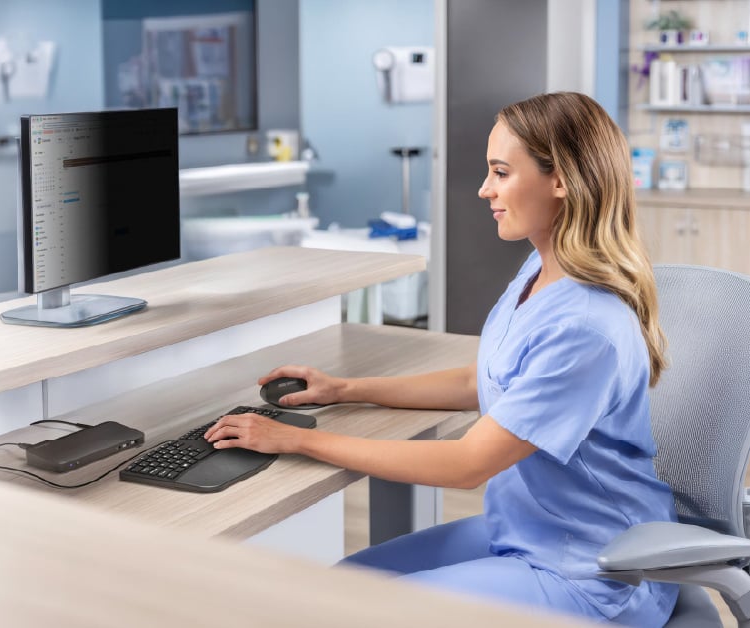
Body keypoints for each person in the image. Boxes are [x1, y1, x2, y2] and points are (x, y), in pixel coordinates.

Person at [203, 92, 678, 626]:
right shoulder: (540, 269)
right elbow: (484, 381)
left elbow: (467, 464)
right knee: (341, 585)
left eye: (501, 172)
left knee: (350, 612)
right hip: (527, 530)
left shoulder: (586, 326)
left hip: (597, 571)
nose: (484, 189)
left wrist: (298, 440)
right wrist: (345, 389)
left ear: (561, 181)